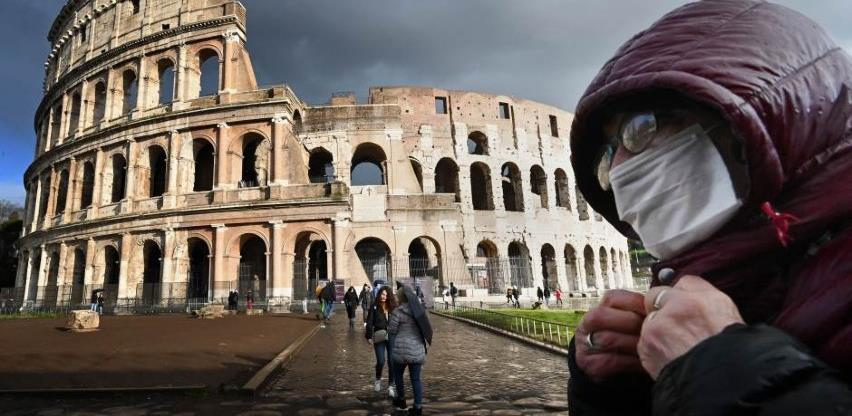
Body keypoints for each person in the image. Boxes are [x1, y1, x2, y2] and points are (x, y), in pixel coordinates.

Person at [567, 1, 852, 414]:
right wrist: (614, 390)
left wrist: (721, 369)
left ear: (757, 118)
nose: (617, 169)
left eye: (641, 127)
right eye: (606, 155)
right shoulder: (716, 280)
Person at [389, 286, 431, 415]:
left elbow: (391, 330)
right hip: (417, 349)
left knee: (398, 376)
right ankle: (418, 407)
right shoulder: (419, 312)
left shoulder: (397, 312)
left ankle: (401, 400)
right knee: (416, 379)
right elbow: (426, 328)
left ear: (401, 297)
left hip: (400, 350)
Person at [366, 286, 397, 398]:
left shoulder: (393, 307)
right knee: (381, 361)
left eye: (386, 295)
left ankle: (390, 386)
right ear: (379, 294)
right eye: (382, 294)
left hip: (392, 336)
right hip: (379, 336)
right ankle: (378, 380)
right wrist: (369, 335)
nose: (384, 297)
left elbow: (398, 321)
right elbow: (369, 322)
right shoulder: (374, 306)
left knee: (392, 362)